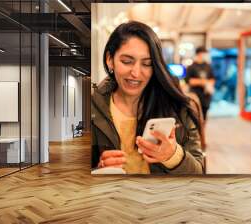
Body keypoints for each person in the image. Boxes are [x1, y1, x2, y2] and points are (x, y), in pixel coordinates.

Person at [91, 21, 204, 174]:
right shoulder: (92, 106)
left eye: (147, 64)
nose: (136, 73)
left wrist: (173, 155)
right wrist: (98, 170)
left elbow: (199, 173)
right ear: (110, 59)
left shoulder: (177, 107)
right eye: (127, 61)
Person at [185, 46, 215, 120]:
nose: (206, 55)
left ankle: (203, 131)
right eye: (204, 53)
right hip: (195, 95)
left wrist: (208, 84)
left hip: (206, 96)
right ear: (199, 54)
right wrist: (202, 82)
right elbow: (189, 81)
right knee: (195, 117)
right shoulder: (191, 67)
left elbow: (212, 79)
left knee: (204, 117)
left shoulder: (208, 66)